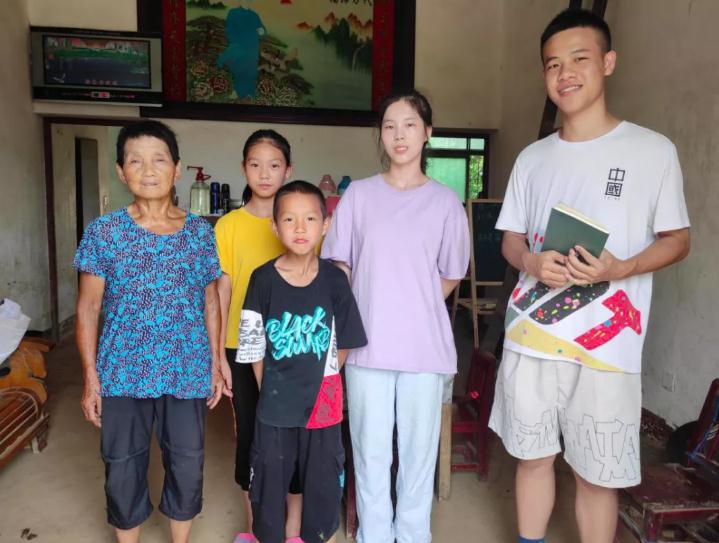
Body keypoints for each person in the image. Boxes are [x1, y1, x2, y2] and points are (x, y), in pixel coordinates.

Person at [488, 9, 691, 543]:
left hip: (607, 349)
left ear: (608, 62)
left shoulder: (652, 151)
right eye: (553, 64)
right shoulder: (532, 158)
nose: (565, 73)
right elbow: (510, 239)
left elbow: (678, 239)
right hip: (532, 336)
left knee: (597, 475)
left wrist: (622, 267)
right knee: (532, 457)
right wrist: (531, 262)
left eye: (579, 58)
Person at [321, 90, 470, 543]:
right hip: (366, 346)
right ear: (381, 135)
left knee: (418, 455)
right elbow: (340, 265)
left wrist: (412, 303)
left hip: (423, 348)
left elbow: (451, 273)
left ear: (427, 133)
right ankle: (374, 535)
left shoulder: (446, 202)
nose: (399, 135)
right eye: (389, 126)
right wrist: (372, 304)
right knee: (369, 453)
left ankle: (412, 535)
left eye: (409, 125)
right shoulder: (359, 196)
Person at [75, 120, 231, 543]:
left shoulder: (199, 233)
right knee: (122, 465)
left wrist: (215, 364)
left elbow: (211, 302)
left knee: (187, 462)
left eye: (159, 160)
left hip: (186, 367)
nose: (148, 170)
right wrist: (91, 378)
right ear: (120, 171)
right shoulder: (104, 232)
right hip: (122, 370)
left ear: (177, 169)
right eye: (135, 161)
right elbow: (88, 308)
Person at [237, 180, 367, 543]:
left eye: (310, 218)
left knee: (322, 489)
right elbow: (253, 349)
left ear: (325, 225)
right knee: (268, 487)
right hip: (275, 409)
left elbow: (346, 342)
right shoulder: (262, 279)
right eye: (289, 219)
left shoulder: (335, 281)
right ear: (275, 227)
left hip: (322, 408)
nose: (300, 228)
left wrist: (323, 385)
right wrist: (272, 393)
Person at [213, 129, 303, 543]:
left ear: (288, 170)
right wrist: (218, 354)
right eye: (255, 164)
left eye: (274, 165)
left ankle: (292, 530)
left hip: (293, 345)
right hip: (241, 347)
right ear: (243, 168)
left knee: (294, 433)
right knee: (249, 434)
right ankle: (255, 530)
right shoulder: (228, 226)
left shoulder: (297, 221)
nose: (264, 174)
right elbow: (222, 290)